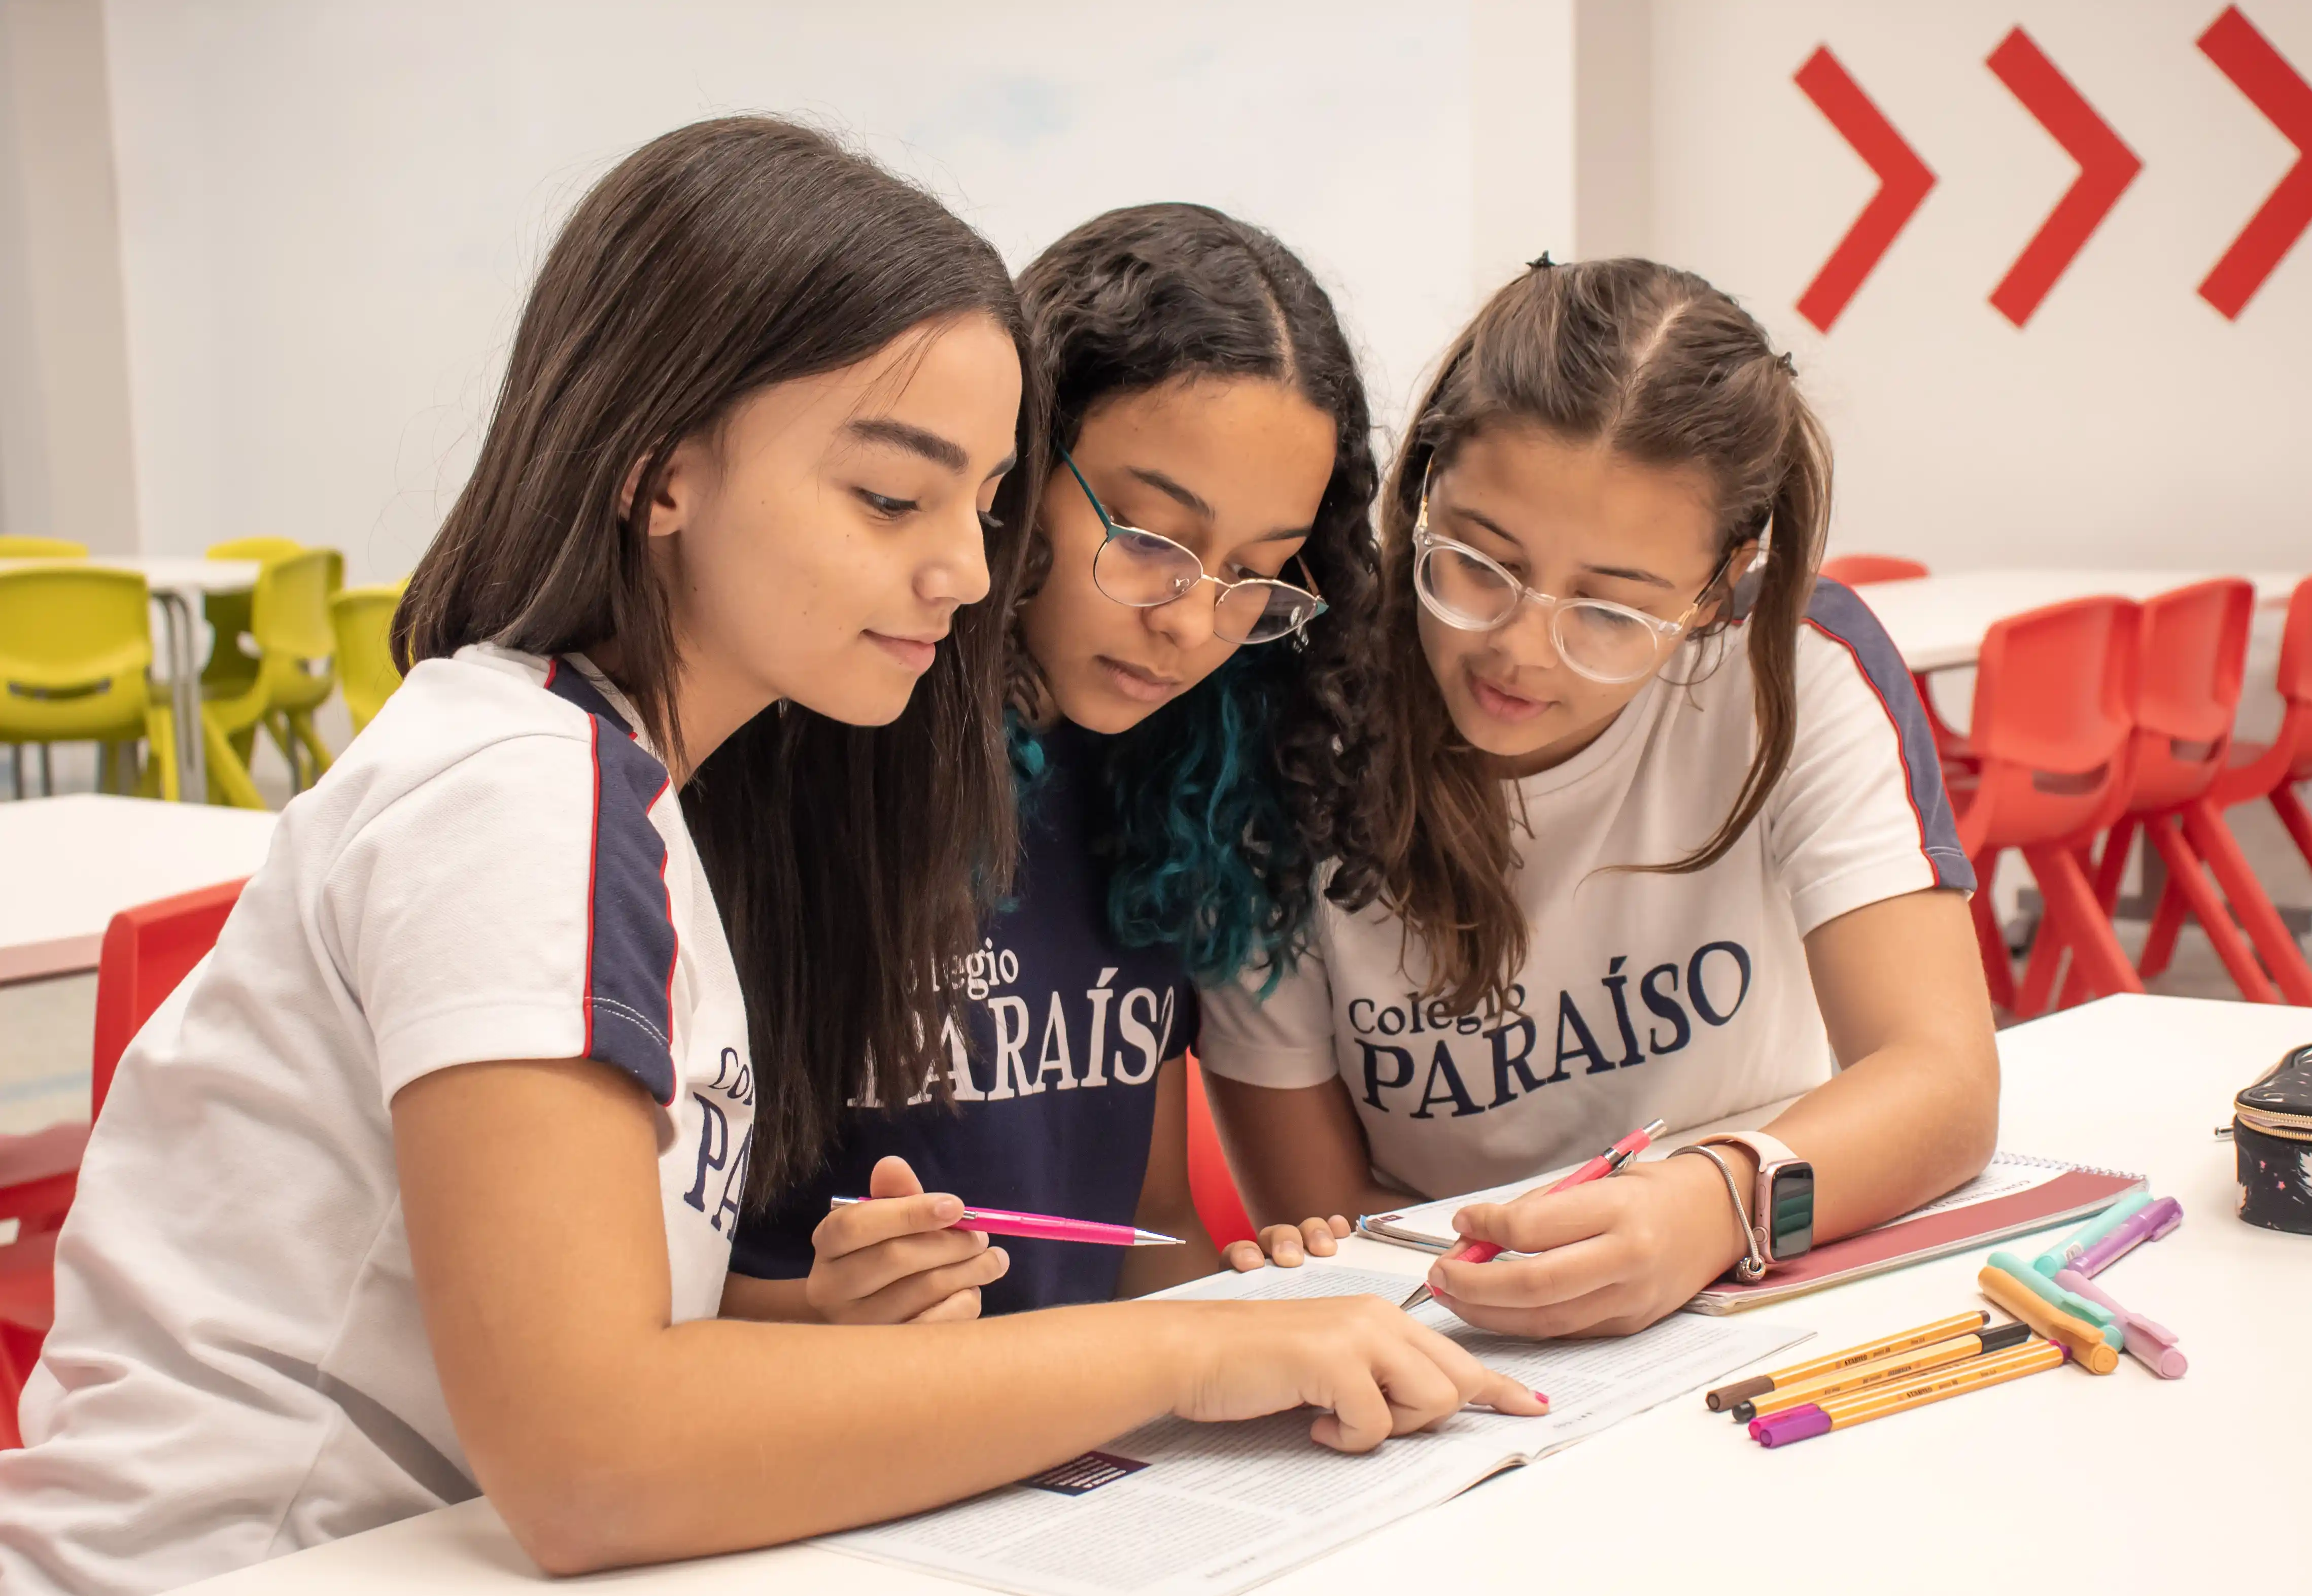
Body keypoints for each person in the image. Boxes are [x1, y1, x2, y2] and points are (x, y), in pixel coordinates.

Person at [0, 121, 1538, 1596]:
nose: (958, 567)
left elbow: (572, 1324)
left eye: (984, 504)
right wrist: (1205, 1348)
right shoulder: (523, 796)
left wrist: (811, 1317)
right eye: (888, 495)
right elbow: (589, 1455)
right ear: (661, 470)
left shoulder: (617, 786)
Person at [1199, 256, 2000, 1338]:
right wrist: (1515, 1286)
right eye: (1478, 563)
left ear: (1719, 585)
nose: (1522, 651)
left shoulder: (1793, 669)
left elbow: (1942, 1083)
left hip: (1749, 1287)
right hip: (1448, 1320)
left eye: (1612, 611)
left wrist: (1712, 1204)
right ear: (1424, 484)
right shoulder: (1280, 729)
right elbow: (1316, 1217)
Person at [721, 203, 1390, 1323]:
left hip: (1069, 1460)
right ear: (1018, 469)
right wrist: (820, 1313)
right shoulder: (803, 755)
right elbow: (618, 1330)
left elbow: (1144, 1229)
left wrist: (1275, 1311)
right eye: (1148, 540)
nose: (1194, 624)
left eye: (1256, 575)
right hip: (820, 1453)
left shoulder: (1171, 785)